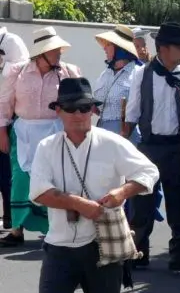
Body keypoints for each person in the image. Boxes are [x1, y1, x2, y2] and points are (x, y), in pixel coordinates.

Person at [3, 78, 158, 293]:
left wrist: (121, 193)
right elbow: (39, 192)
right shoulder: (47, 147)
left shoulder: (111, 143)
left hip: (100, 246)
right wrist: (79, 203)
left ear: (93, 110)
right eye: (71, 108)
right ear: (58, 112)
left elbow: (148, 171)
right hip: (58, 246)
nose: (78, 114)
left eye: (85, 108)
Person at [0, 27, 83, 247]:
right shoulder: (17, 72)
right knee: (19, 179)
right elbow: (4, 104)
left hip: (54, 131)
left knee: (52, 179)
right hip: (24, 132)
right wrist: (2, 133)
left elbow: (80, 96)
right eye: (54, 50)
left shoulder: (68, 72)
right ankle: (17, 230)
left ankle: (52, 229)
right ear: (42, 53)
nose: (59, 54)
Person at [124, 22, 180, 271]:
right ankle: (139, 252)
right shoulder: (141, 74)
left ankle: (179, 257)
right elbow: (131, 114)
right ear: (163, 49)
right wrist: (123, 150)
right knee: (142, 203)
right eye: (179, 48)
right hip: (150, 147)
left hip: (179, 147)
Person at [0, 28, 29, 230]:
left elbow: (15, 80)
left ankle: (11, 219)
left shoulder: (11, 41)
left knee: (6, 173)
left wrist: (2, 128)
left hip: (7, 119)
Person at [94, 25, 143, 139]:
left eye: (108, 44)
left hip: (126, 134)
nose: (104, 48)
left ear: (120, 48)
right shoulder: (106, 74)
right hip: (102, 132)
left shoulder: (138, 73)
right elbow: (100, 107)